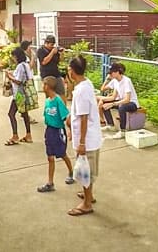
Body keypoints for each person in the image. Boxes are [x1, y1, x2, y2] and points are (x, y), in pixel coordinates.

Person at [66, 55, 102, 216]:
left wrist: (81, 142)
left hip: (87, 139)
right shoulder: (86, 84)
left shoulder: (81, 90)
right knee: (87, 169)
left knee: (85, 172)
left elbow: (84, 118)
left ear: (72, 71)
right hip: (90, 137)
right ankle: (89, 195)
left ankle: (87, 204)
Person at [37, 76, 76, 193]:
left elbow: (66, 117)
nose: (42, 87)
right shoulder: (47, 101)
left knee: (62, 154)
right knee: (50, 157)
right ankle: (50, 183)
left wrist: (70, 131)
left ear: (48, 86)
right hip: (49, 131)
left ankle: (71, 172)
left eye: (44, 84)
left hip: (58, 131)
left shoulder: (58, 101)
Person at [100, 63, 139, 140]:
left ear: (117, 72)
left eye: (111, 73)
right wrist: (103, 101)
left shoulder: (126, 81)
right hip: (122, 102)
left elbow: (127, 99)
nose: (110, 74)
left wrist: (113, 104)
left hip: (132, 103)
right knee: (104, 104)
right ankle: (111, 125)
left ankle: (122, 131)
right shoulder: (115, 81)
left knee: (122, 107)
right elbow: (109, 93)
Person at [4, 48, 33, 145]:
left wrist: (9, 76)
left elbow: (18, 81)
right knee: (25, 114)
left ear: (16, 56)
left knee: (11, 114)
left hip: (19, 94)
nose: (13, 58)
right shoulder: (26, 65)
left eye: (13, 56)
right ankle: (28, 135)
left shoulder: (20, 66)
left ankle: (15, 136)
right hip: (25, 93)